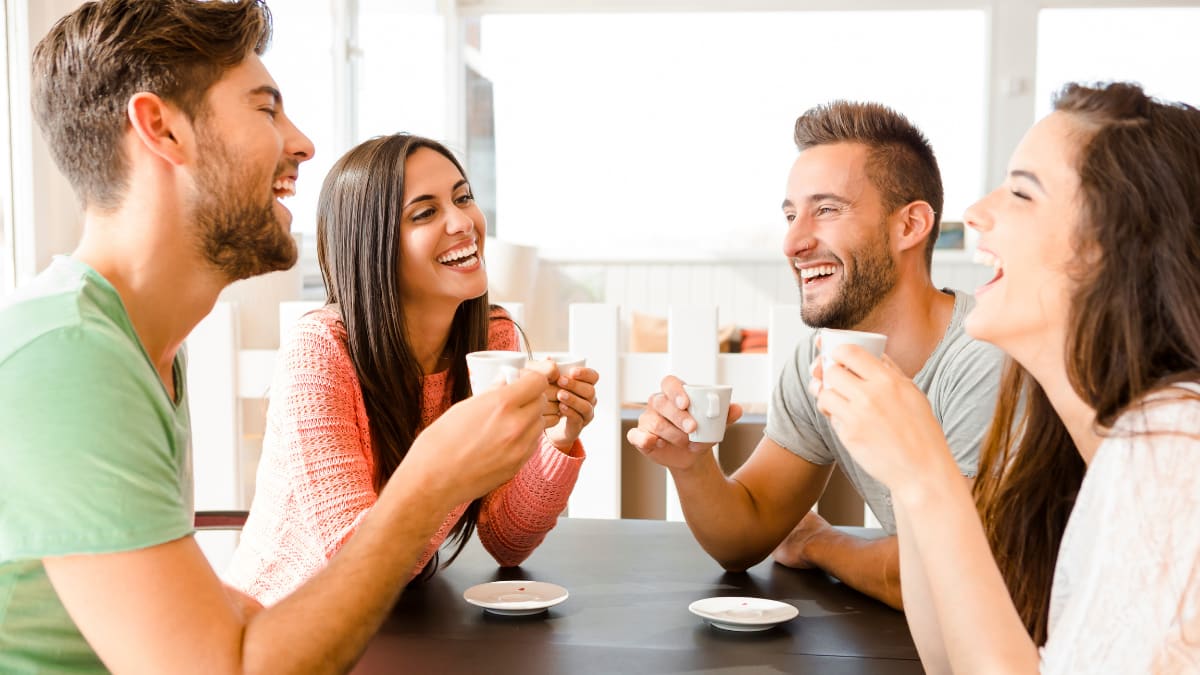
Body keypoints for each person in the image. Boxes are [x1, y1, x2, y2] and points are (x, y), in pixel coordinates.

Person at [0, 1, 550, 672]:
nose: (304, 143)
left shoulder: (140, 351)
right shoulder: (68, 356)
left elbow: (212, 629)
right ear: (162, 130)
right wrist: (431, 480)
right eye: (266, 109)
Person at [814, 82, 1200, 672]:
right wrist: (910, 471)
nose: (974, 212)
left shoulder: (1176, 450)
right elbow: (948, 660)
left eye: (1022, 191)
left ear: (1116, 246)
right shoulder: (1085, 446)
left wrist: (927, 475)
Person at [627, 101, 1005, 609]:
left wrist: (819, 543)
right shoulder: (822, 358)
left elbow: (954, 578)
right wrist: (692, 466)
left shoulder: (985, 359)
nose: (793, 241)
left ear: (910, 225)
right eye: (790, 215)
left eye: (826, 209)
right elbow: (744, 537)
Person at [224, 133, 597, 605]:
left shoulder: (491, 338)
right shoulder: (319, 352)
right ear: (372, 245)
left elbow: (508, 542)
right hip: (279, 625)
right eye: (425, 212)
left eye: (463, 198)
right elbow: (352, 565)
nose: (463, 222)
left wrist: (555, 439)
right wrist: (459, 465)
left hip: (393, 624)